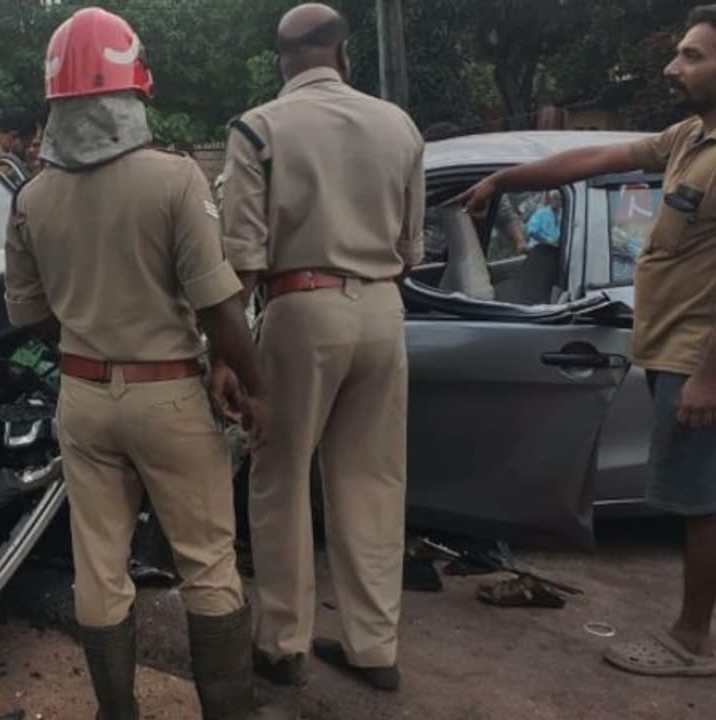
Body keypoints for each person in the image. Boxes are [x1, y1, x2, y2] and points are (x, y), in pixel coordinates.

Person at [4, 8, 283, 718]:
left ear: (55, 102)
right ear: (135, 91)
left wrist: (88, 323)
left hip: (83, 398)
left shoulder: (29, 197)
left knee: (100, 566)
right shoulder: (175, 180)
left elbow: (29, 316)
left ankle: (116, 712)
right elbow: (221, 310)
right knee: (207, 561)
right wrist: (254, 387)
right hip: (168, 398)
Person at [453, 4, 716, 678]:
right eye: (679, 51)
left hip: (697, 356)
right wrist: (505, 178)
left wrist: (709, 374)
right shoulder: (691, 137)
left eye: (692, 55)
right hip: (668, 348)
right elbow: (596, 156)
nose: (671, 65)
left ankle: (689, 643)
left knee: (699, 502)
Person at [212, 3, 424, 693]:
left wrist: (225, 357)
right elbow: (411, 249)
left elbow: (241, 261)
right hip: (385, 308)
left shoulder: (259, 127)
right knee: (372, 480)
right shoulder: (399, 126)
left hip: (300, 309)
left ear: (281, 61)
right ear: (345, 56)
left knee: (279, 477)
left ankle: (281, 645)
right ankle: (374, 648)